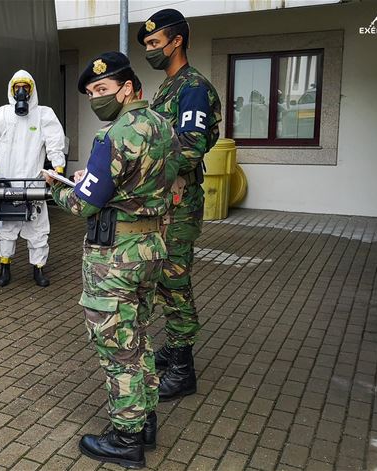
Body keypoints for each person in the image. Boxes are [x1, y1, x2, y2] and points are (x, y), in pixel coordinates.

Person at [46, 52, 179, 469]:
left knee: (116, 348)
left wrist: (56, 189)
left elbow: (86, 203)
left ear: (127, 88)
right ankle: (146, 419)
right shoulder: (164, 127)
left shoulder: (114, 136)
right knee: (137, 337)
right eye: (90, 92)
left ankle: (126, 438)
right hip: (151, 249)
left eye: (102, 90)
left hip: (116, 259)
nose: (95, 98)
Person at [139, 8, 222, 401]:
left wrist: (149, 171)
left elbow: (190, 148)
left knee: (174, 280)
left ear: (177, 42)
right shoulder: (166, 88)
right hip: (163, 200)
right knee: (163, 279)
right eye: (147, 45)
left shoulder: (192, 88)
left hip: (180, 200)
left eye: (155, 43)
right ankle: (173, 352)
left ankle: (184, 370)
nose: (150, 51)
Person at [0, 70, 66, 287]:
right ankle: (4, 267)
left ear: (32, 90)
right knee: (5, 229)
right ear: (11, 90)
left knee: (38, 229)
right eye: (17, 87)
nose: (21, 92)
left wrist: (58, 168)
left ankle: (38, 269)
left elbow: (55, 142)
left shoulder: (44, 115)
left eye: (25, 87)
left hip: (33, 182)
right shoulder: (2, 115)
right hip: (6, 183)